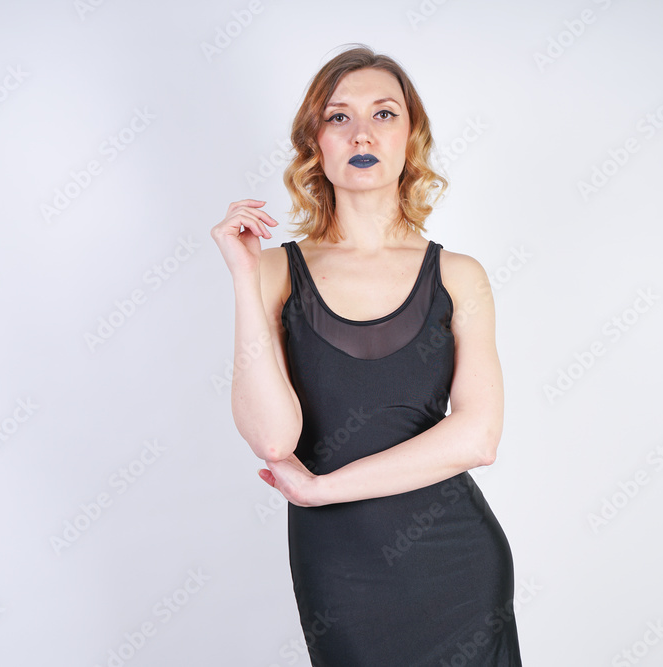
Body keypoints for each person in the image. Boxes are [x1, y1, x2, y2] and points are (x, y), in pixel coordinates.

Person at [211, 44, 522, 666]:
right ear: (315, 143)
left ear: (411, 137)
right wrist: (245, 280)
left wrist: (323, 488)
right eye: (338, 117)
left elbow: (478, 438)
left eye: (384, 114)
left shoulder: (459, 276)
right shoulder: (275, 272)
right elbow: (273, 439)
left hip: (456, 565)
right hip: (340, 572)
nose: (362, 133)